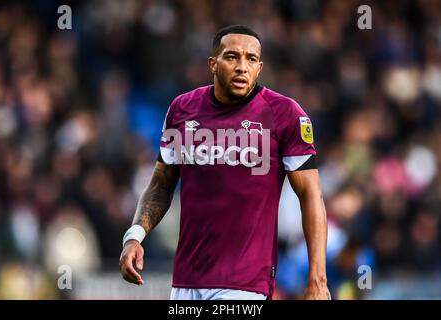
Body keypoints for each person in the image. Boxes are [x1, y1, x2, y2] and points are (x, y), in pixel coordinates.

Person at [119, 25, 330, 300]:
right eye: (232, 57)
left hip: (246, 285)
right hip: (186, 282)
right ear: (213, 64)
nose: (242, 66)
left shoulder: (285, 114)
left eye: (251, 59)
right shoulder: (182, 110)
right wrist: (135, 235)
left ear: (259, 67)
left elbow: (311, 194)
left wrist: (317, 279)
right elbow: (161, 184)